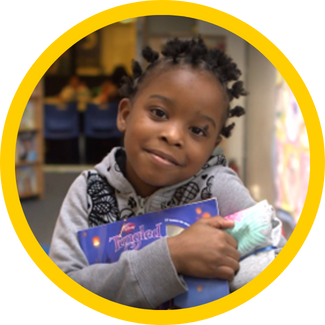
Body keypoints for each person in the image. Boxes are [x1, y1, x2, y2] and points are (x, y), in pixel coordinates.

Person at [49, 37, 285, 309]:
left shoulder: (218, 187)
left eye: (197, 130)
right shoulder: (89, 191)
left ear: (212, 147)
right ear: (125, 114)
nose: (173, 136)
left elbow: (273, 253)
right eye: (159, 113)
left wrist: (235, 273)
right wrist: (172, 257)